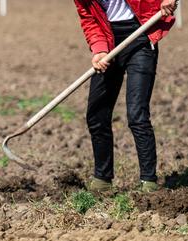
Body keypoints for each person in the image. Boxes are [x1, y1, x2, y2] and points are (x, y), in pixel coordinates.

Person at [74, 0, 177, 193]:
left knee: (137, 114)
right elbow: (88, 18)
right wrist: (99, 49)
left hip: (140, 35)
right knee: (96, 114)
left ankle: (149, 182)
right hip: (108, 38)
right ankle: (102, 180)